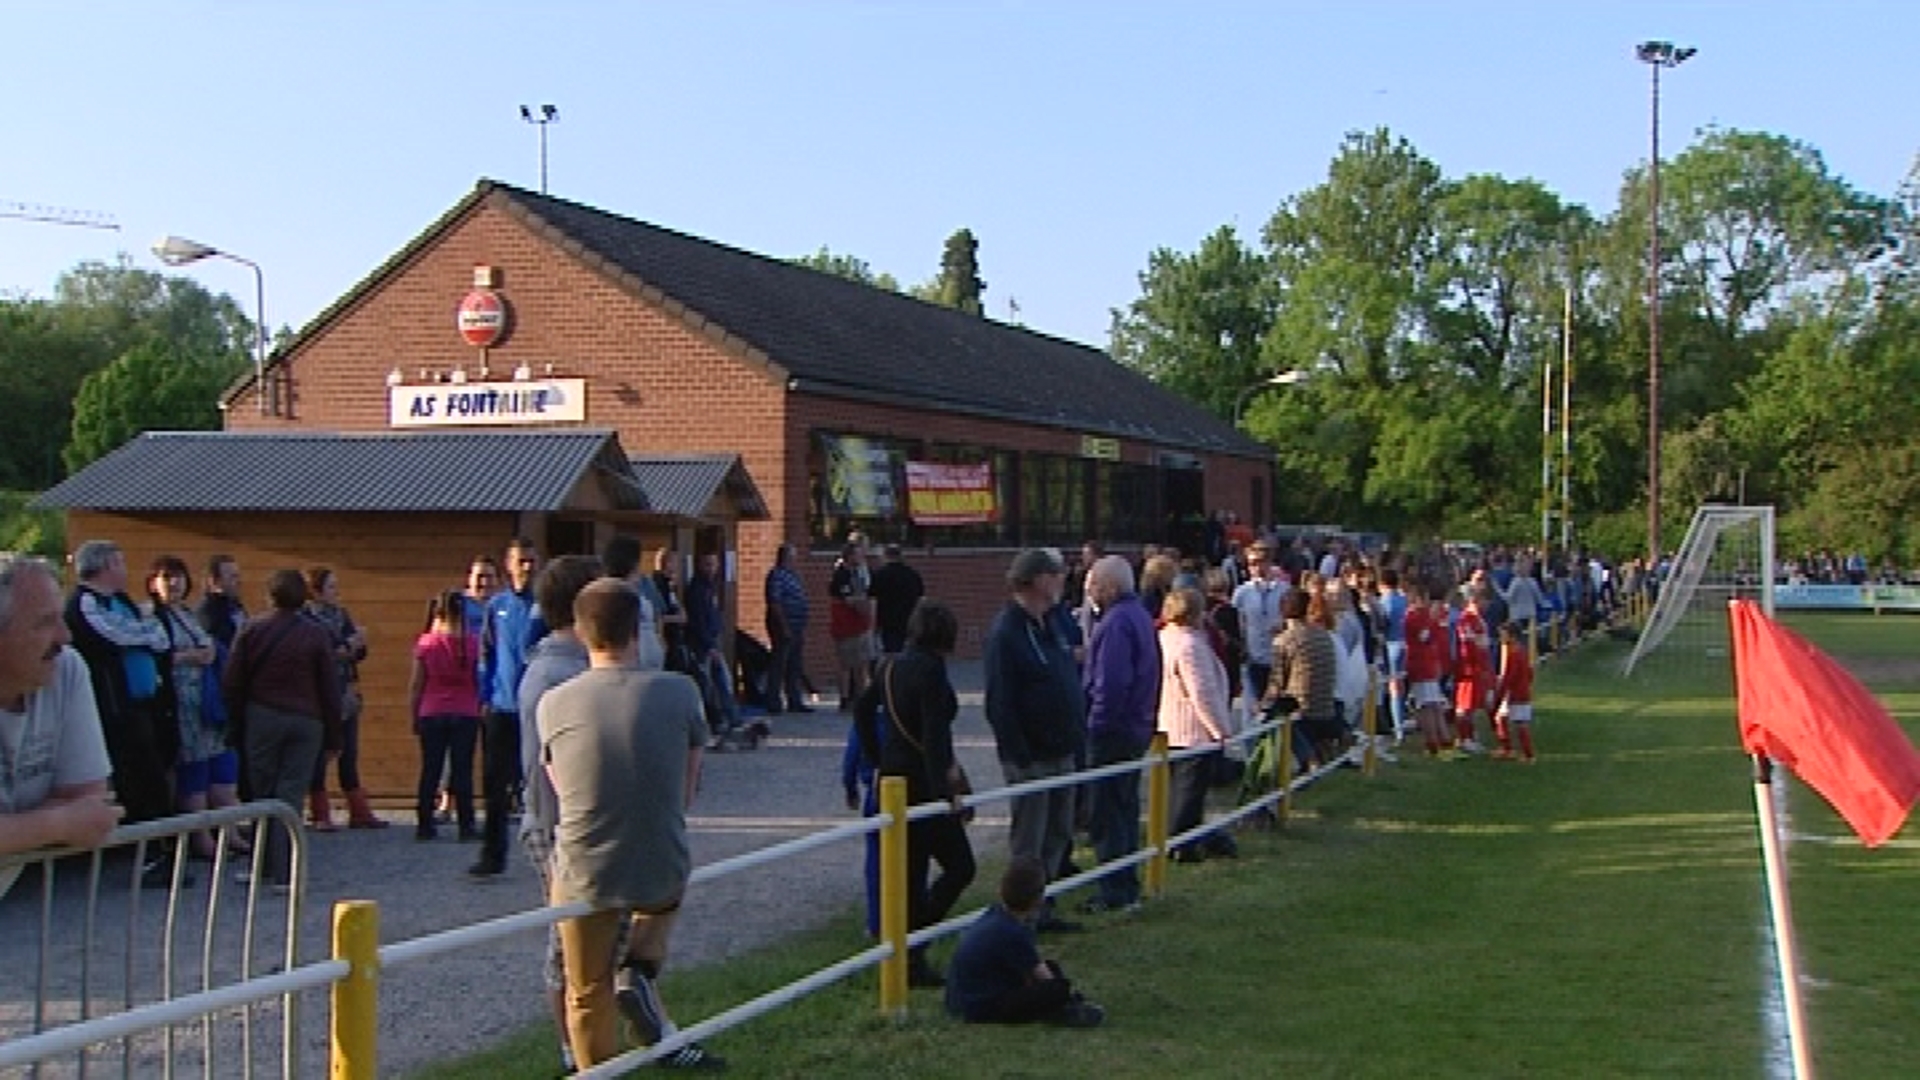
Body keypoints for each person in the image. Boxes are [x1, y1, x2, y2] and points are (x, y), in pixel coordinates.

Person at [538, 579, 720, 1070]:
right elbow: (686, 784)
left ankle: (596, 1066)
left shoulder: (553, 704)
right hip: (660, 862)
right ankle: (639, 967)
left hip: (585, 871)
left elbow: (560, 784)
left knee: (584, 989)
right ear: (638, 629)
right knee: (665, 886)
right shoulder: (681, 692)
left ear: (580, 632)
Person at [852, 600, 975, 988]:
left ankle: (908, 957)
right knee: (960, 866)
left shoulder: (889, 665)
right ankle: (914, 946)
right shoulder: (932, 674)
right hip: (923, 785)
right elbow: (936, 739)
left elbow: (861, 710)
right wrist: (947, 797)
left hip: (893, 778)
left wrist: (875, 758)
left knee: (911, 874)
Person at [514, 555, 604, 1077]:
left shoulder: (586, 666)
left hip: (592, 824)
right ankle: (572, 1052)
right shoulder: (550, 675)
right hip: (559, 828)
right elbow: (544, 769)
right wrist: (554, 843)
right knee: (565, 943)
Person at [0, 554, 120, 897]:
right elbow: (76, 818)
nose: (65, 637)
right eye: (43, 623)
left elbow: (91, 800)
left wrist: (15, 832)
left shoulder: (65, 671)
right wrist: (57, 823)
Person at [982, 548, 1085, 933]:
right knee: (1030, 839)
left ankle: (1045, 907)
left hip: (1062, 749)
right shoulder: (1007, 633)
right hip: (1032, 756)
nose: (1062, 580)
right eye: (1057, 574)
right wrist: (1018, 754)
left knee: (1059, 833)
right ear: (1040, 579)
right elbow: (1000, 700)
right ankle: (1018, 918)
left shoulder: (1051, 625)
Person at [224, 569, 341, 891]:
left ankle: (261, 867)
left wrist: (235, 723)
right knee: (290, 797)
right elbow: (329, 688)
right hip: (307, 720)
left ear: (269, 595)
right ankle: (285, 874)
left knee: (261, 794)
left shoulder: (251, 630)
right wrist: (334, 735)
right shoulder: (317, 635)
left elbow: (233, 681)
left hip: (262, 716)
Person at [146, 557, 243, 861]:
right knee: (194, 768)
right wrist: (192, 656)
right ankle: (201, 839)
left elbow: (209, 646)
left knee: (221, 763)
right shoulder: (151, 617)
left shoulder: (186, 614)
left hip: (205, 702)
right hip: (179, 705)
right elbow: (159, 656)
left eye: (177, 577)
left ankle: (230, 832)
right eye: (166, 577)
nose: (173, 583)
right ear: (153, 582)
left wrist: (208, 653)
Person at [1081, 555, 1160, 914]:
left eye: (1093, 585)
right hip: (1138, 726)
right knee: (1125, 808)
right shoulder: (1140, 617)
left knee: (1107, 811)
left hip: (1114, 731)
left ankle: (1114, 887)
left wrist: (1095, 726)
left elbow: (1111, 685)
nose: (1089, 592)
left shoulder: (1114, 624)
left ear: (1109, 587)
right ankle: (1126, 883)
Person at [944, 856, 1105, 1028]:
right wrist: (1065, 994)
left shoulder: (994, 914)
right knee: (1057, 988)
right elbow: (1043, 976)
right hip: (979, 1007)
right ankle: (1063, 1012)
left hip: (959, 998)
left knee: (1050, 970)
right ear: (1038, 900)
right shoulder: (1013, 932)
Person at [1157, 588, 1237, 863]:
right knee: (1190, 793)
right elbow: (1202, 693)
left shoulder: (1164, 638)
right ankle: (1182, 846)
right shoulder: (1190, 645)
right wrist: (1220, 730)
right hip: (1192, 729)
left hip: (1168, 726)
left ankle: (1175, 840)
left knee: (1176, 790)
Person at [475, 539, 540, 877]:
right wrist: (485, 695)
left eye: (531, 560)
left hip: (536, 707)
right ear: (509, 564)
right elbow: (485, 653)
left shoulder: (543, 606)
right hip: (501, 706)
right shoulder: (497, 606)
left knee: (538, 781)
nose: (527, 567)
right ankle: (492, 855)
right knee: (494, 784)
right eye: (522, 561)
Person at [303, 566, 381, 831]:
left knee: (349, 751)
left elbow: (357, 651)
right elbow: (327, 651)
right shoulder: (307, 619)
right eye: (331, 587)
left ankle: (358, 809)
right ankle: (319, 811)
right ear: (316, 591)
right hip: (322, 693)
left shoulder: (341, 614)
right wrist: (349, 645)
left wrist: (354, 646)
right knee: (321, 753)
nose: (336, 593)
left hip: (345, 688)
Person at [410, 590, 482, 842]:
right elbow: (478, 680)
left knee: (431, 768)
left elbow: (417, 684)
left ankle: (424, 824)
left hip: (432, 710)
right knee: (462, 770)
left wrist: (414, 713)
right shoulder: (472, 644)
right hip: (465, 711)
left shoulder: (427, 644)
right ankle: (466, 824)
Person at [685, 551, 746, 747]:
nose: (711, 569)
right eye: (707, 564)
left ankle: (730, 717)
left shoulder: (710, 588)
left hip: (712, 640)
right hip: (703, 644)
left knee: (721, 681)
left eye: (714, 564)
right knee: (709, 684)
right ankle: (719, 720)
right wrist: (708, 644)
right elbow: (697, 621)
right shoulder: (696, 590)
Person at [1230, 542, 1286, 707]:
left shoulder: (1283, 590)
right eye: (1251, 563)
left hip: (1276, 656)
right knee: (1253, 707)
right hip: (1252, 657)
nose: (1255, 567)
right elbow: (1237, 622)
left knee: (1275, 707)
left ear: (1269, 562)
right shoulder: (1242, 592)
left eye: (1259, 562)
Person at [762, 542, 811, 715]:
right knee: (779, 662)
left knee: (794, 664)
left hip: (797, 625)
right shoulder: (776, 576)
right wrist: (784, 626)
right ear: (785, 557)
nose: (795, 560)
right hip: (784, 625)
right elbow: (775, 603)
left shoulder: (793, 575)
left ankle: (794, 699)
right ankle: (773, 700)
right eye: (792, 556)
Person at [827, 540, 874, 710]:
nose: (861, 556)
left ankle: (861, 698)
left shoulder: (858, 573)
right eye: (858, 553)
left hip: (860, 626)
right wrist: (864, 605)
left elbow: (865, 594)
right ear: (849, 556)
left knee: (862, 664)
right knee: (845, 664)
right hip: (846, 626)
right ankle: (845, 698)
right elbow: (849, 600)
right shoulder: (841, 574)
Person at [1491, 622, 1537, 763]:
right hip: (1520, 691)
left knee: (1520, 723)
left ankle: (1528, 754)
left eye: (1503, 634)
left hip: (1516, 693)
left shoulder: (1514, 653)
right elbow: (1530, 673)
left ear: (1512, 636)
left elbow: (1509, 676)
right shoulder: (1520, 651)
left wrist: (1501, 691)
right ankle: (1508, 749)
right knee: (1502, 718)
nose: (1501, 638)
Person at [867, 543, 924, 656]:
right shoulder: (913, 575)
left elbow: (873, 601)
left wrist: (872, 626)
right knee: (909, 655)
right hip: (909, 622)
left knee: (890, 655)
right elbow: (920, 600)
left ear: (886, 556)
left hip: (888, 623)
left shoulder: (880, 575)